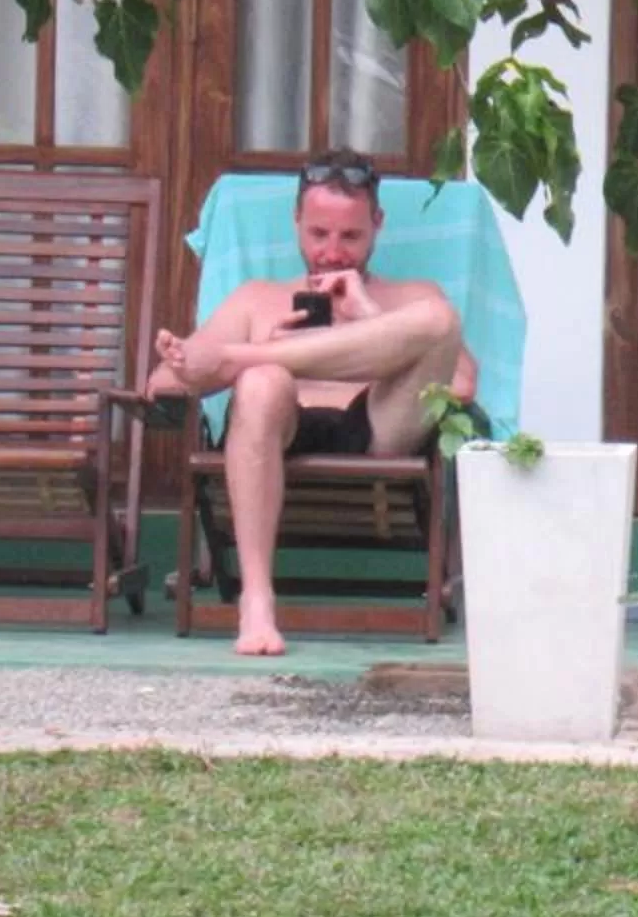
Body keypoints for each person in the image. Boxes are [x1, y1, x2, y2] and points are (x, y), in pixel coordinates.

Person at [150, 150, 473, 656]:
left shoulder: (410, 298)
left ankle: (254, 357)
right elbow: (164, 385)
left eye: (351, 236)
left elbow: (461, 387)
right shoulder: (256, 299)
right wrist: (269, 359)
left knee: (438, 320)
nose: (332, 253)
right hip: (279, 425)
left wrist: (369, 320)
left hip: (378, 428)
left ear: (378, 225)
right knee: (260, 382)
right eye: (318, 234)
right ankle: (257, 602)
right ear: (296, 221)